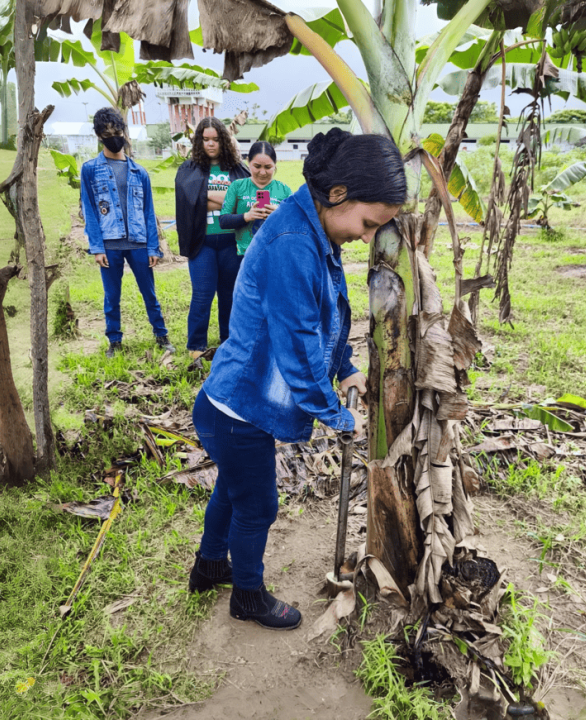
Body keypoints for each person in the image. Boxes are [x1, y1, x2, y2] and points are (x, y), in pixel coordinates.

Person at [187, 129, 408, 631]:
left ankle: (209, 565)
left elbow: (326, 314)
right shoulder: (293, 244)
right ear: (337, 195)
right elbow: (297, 345)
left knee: (234, 490)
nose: (369, 236)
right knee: (258, 505)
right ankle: (247, 594)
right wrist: (334, 413)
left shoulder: (314, 232)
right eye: (370, 223)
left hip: (237, 403)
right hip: (238, 408)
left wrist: (347, 365)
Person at [80, 107, 175, 358]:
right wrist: (97, 246)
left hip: (139, 243)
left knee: (150, 294)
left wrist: (153, 247)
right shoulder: (90, 170)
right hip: (109, 245)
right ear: (99, 136)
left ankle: (161, 335)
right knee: (112, 296)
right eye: (107, 133)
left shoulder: (139, 172)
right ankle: (114, 341)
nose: (113, 136)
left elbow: (148, 211)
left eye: (117, 131)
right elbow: (89, 209)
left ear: (124, 132)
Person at [174, 117, 249, 360]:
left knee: (230, 295)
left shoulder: (238, 169)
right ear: (199, 141)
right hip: (202, 244)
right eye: (205, 139)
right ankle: (196, 347)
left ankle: (228, 343)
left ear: (224, 141)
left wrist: (205, 197)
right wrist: (227, 199)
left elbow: (244, 201)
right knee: (202, 295)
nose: (210, 144)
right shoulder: (188, 169)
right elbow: (189, 201)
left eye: (215, 139)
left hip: (232, 243)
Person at [218, 141, 292, 257]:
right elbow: (223, 221)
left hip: (274, 255)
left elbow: (294, 225)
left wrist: (279, 214)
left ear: (275, 165)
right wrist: (247, 216)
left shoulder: (284, 190)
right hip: (244, 256)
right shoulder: (237, 186)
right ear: (248, 162)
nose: (262, 172)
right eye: (257, 166)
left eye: (268, 167)